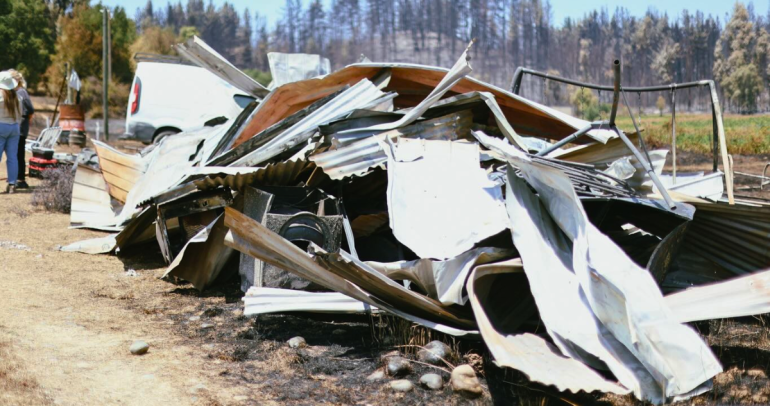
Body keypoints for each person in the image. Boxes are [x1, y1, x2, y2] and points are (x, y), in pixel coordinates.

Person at [9, 70, 33, 189]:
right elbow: (30, 110)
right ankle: (19, 179)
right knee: (18, 154)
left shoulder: (18, 92)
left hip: (16, 125)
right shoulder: (20, 92)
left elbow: (30, 109)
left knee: (16, 153)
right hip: (19, 125)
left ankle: (18, 179)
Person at [0, 71, 22, 194]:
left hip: (1, 126)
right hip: (14, 127)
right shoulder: (18, 96)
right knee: (13, 157)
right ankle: (12, 184)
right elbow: (20, 114)